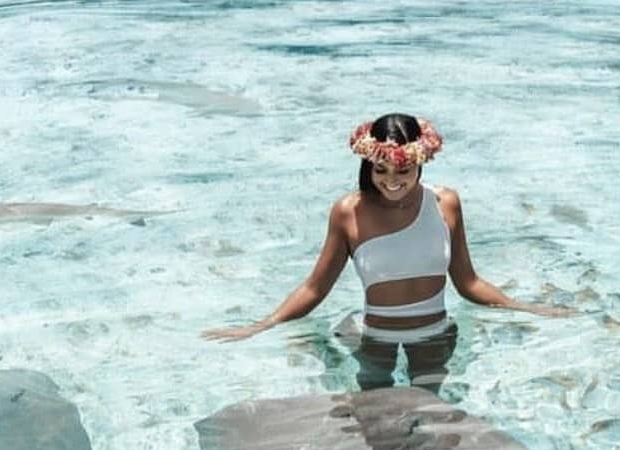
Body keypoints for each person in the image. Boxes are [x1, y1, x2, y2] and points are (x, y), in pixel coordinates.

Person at [201, 113, 574, 393]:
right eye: (380, 170)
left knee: (432, 422)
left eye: (404, 171)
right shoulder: (348, 212)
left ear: (420, 163)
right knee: (376, 428)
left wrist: (526, 308)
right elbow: (315, 288)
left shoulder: (446, 204)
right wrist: (262, 325)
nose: (392, 182)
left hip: (435, 338)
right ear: (368, 163)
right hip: (375, 341)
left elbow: (468, 283)